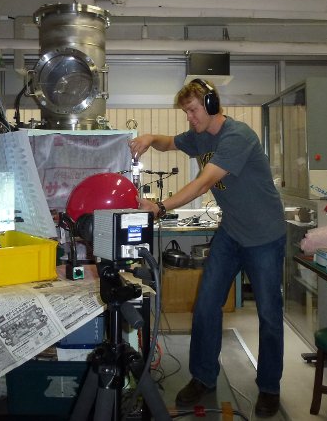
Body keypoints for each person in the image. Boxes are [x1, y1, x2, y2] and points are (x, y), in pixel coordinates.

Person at [129, 79, 286, 417]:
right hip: (232, 231)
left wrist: (161, 207)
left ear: (212, 105)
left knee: (269, 316)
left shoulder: (238, 137)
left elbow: (204, 182)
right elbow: (169, 142)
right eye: (186, 112)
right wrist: (148, 138)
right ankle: (203, 377)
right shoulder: (199, 136)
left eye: (193, 110)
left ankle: (270, 386)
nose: (189, 118)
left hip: (264, 236)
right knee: (205, 306)